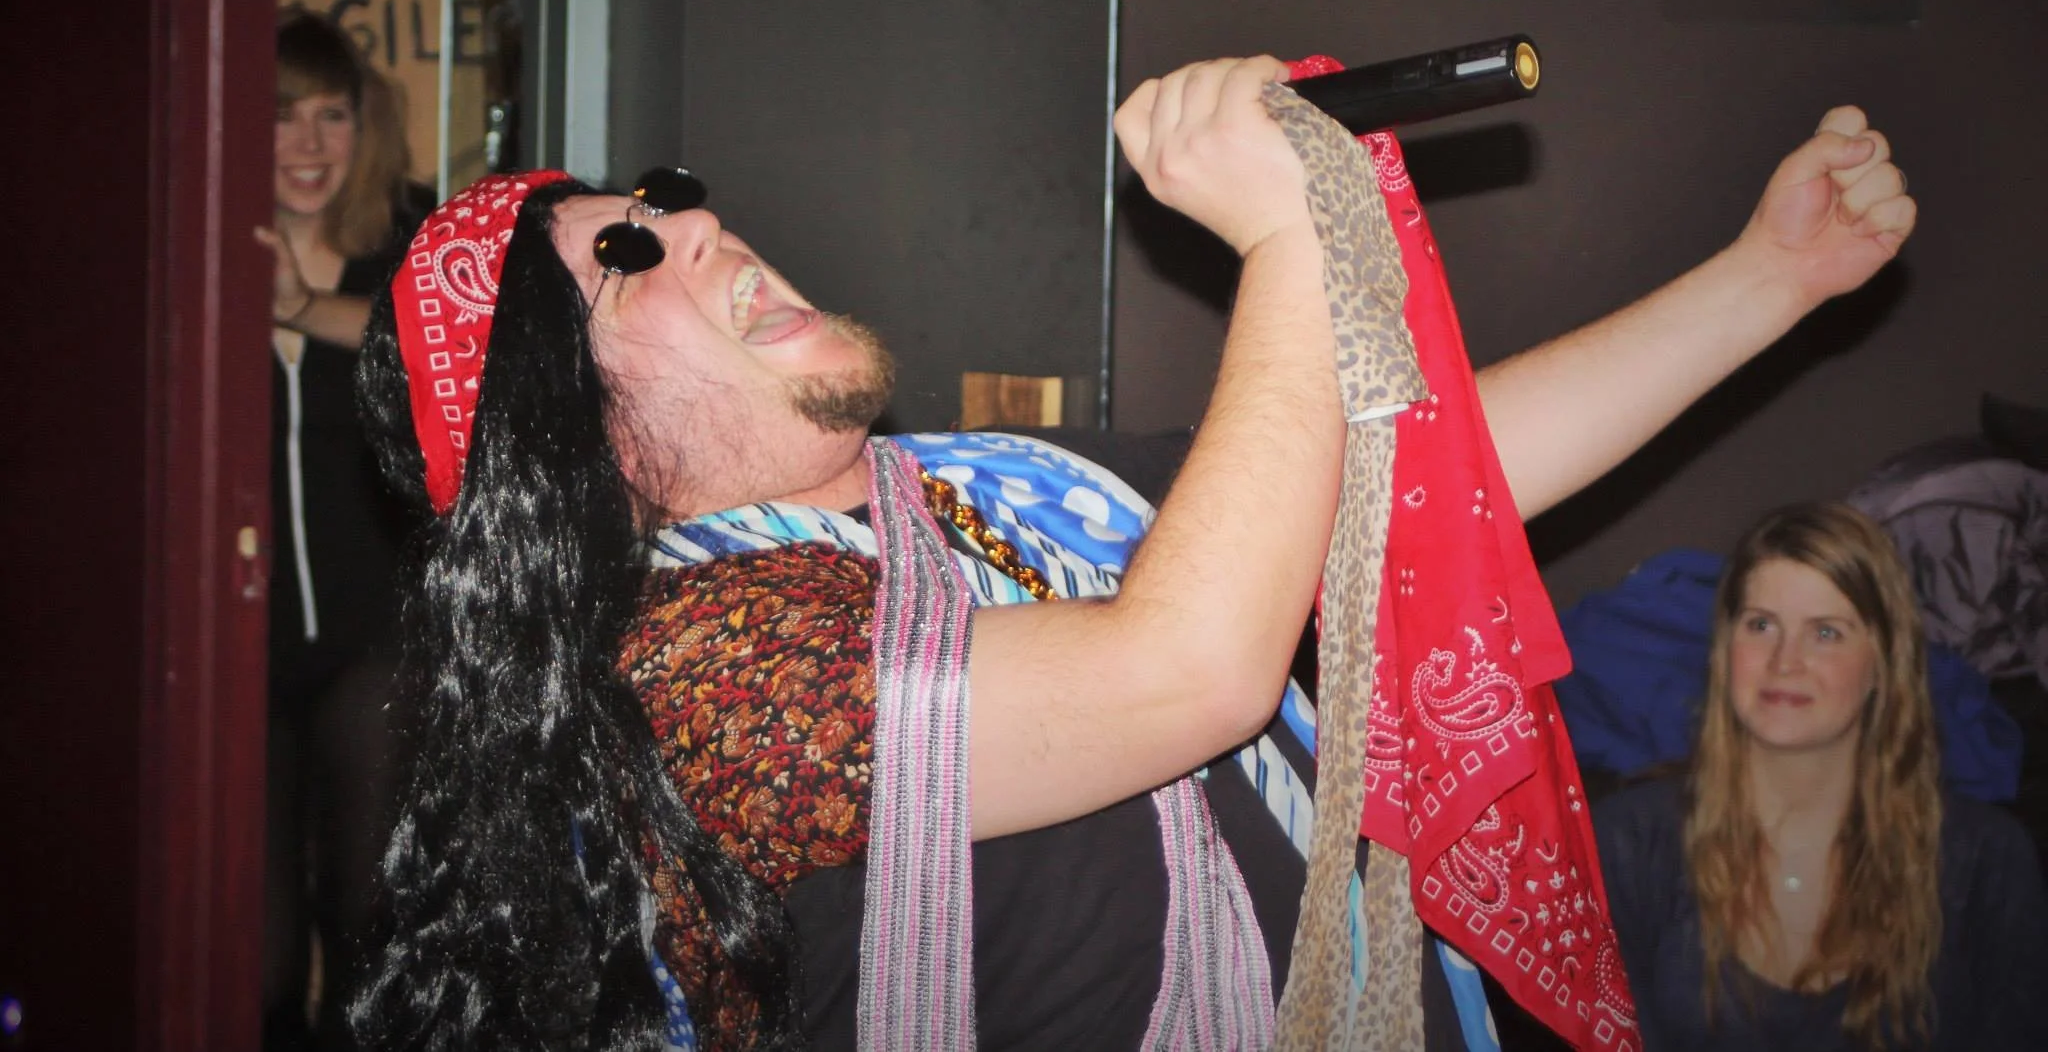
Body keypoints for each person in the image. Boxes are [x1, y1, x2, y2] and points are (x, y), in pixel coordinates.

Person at [346, 55, 1914, 1051]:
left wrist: (1772, 279)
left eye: (665, 204)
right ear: (569, 446)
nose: (692, 226)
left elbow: (1415, 479)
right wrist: (1294, 234)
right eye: (626, 260)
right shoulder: (686, 684)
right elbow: (1195, 671)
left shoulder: (993, 497)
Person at [1594, 502, 2048, 1051]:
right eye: (1761, 625)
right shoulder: (1626, 842)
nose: (1785, 661)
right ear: (1724, 647)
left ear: (1883, 662)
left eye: (1826, 633)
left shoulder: (1986, 860)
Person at [262, 9, 435, 1050]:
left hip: (376, 638)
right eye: (284, 118)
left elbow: (433, 347)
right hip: (235, 642)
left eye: (333, 115)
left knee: (371, 927)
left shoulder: (403, 236)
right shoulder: (187, 236)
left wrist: (294, 305)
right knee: (257, 958)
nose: (314, 145)